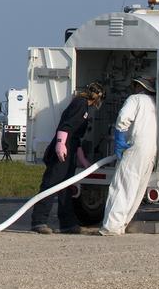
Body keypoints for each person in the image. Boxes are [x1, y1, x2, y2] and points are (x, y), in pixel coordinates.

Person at [30, 81, 104, 235]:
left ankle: (68, 223)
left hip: (70, 150)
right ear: (98, 98)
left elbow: (76, 137)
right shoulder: (80, 104)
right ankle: (39, 221)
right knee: (51, 184)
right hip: (62, 151)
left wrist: (82, 158)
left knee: (66, 188)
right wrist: (60, 143)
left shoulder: (83, 107)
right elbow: (66, 126)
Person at [99, 77, 158, 235]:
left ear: (139, 86)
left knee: (123, 186)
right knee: (137, 190)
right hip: (151, 150)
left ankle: (111, 226)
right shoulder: (155, 102)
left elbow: (124, 118)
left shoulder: (135, 99)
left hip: (134, 147)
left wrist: (119, 138)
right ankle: (121, 224)